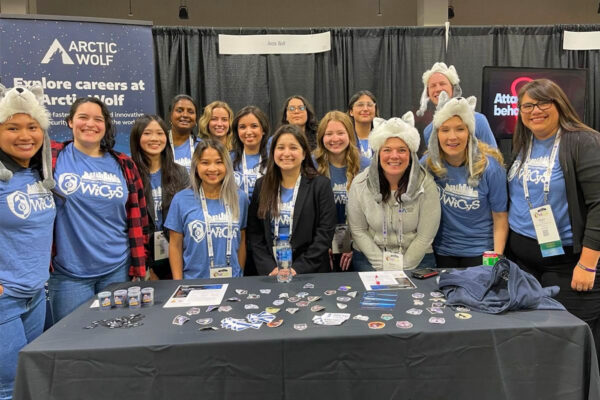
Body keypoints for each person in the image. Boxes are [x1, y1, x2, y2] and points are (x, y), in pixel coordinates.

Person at [506, 78, 600, 355]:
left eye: (543, 102)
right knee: (534, 345)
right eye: (527, 105)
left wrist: (587, 265)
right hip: (523, 264)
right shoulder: (525, 143)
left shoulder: (583, 141)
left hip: (568, 266)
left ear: (559, 104)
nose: (535, 110)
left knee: (569, 347)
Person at [49, 97, 148, 323]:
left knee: (116, 337)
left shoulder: (124, 164)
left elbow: (139, 219)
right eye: (83, 117)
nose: (90, 124)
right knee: (71, 341)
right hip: (69, 274)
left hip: (117, 269)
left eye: (98, 119)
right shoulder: (52, 157)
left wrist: (139, 266)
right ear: (69, 122)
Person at [0, 85, 56, 400]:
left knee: (31, 380)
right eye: (13, 127)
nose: (25, 135)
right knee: (9, 387)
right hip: (4, 301)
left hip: (35, 296)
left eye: (32, 127)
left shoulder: (36, 174)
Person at [424, 92, 508, 267]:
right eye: (445, 130)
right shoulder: (429, 164)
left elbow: (500, 218)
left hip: (481, 251)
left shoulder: (490, 167)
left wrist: (497, 258)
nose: (452, 137)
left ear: (470, 132)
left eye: (460, 129)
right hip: (442, 250)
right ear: (436, 134)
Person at [347, 113, 440, 270]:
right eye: (387, 150)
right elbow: (358, 231)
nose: (394, 156)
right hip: (370, 259)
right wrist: (384, 266)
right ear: (378, 153)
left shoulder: (426, 184)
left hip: (417, 259)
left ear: (410, 155)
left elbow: (425, 236)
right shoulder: (360, 184)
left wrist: (402, 267)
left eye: (402, 150)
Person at [247, 124, 336, 275]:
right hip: (271, 271)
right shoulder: (261, 185)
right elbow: (255, 234)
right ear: (273, 152)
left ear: (303, 154)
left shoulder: (321, 185)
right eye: (280, 147)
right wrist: (270, 267)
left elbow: (325, 233)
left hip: (310, 271)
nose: (286, 153)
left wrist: (297, 269)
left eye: (293, 148)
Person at [165, 140, 248, 279]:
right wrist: (178, 283)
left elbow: (242, 241)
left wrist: (239, 275)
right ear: (196, 165)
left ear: (227, 165)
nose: (212, 169)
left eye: (219, 162)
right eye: (205, 163)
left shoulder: (240, 198)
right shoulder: (181, 199)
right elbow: (175, 245)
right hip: (194, 283)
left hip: (232, 283)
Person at [129, 115, 189, 280]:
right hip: (142, 255)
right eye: (147, 133)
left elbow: (187, 217)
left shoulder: (180, 173)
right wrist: (146, 268)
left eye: (160, 133)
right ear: (137, 137)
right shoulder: (128, 172)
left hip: (176, 252)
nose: (154, 138)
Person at [314, 111, 370, 271]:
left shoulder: (366, 166)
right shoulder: (311, 164)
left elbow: (372, 213)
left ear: (350, 135)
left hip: (358, 244)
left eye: (340, 133)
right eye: (329, 133)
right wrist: (322, 245)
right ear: (321, 137)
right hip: (321, 244)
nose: (335, 139)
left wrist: (355, 244)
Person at [416, 62, 497, 149]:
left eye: (442, 84)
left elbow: (494, 157)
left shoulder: (478, 121)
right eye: (433, 86)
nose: (438, 89)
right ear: (427, 93)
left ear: (453, 88)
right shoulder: (429, 131)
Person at [230, 106, 269, 199]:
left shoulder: (273, 158)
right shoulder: (228, 158)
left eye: (254, 126)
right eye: (242, 127)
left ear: (263, 130)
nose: (248, 132)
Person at [168, 94, 199, 171]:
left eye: (191, 112)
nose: (185, 115)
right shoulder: (159, 144)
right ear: (170, 115)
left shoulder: (202, 146)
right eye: (179, 110)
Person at [347, 90, 379, 159]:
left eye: (370, 105)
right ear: (351, 112)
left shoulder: (383, 138)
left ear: (375, 111)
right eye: (360, 105)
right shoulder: (345, 139)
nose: (365, 109)